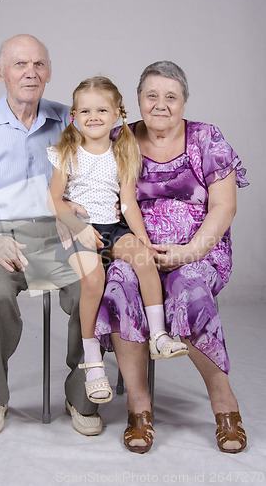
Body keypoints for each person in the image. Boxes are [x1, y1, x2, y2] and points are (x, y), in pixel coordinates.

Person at [0, 34, 102, 438]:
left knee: (92, 290)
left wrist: (75, 208)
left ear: (49, 72)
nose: (30, 72)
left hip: (61, 236)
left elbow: (109, 161)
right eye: (19, 64)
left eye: (39, 64)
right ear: (0, 71)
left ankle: (81, 395)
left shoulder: (71, 120)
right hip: (2, 239)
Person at [95, 61, 249, 454]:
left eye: (170, 97)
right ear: (138, 101)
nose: (160, 104)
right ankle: (139, 408)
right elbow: (92, 191)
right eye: (151, 96)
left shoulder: (206, 139)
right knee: (119, 288)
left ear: (183, 102)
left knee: (191, 290)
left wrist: (187, 252)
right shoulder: (119, 139)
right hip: (135, 250)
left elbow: (224, 208)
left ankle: (224, 404)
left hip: (197, 251)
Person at [47, 76, 188, 406]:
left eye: (101, 110)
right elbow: (53, 199)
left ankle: (158, 335)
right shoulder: (66, 152)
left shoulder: (122, 150)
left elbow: (127, 203)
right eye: (85, 111)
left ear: (116, 114)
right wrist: (77, 227)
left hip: (113, 227)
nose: (93, 116)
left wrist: (142, 239)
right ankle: (93, 361)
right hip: (79, 230)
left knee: (143, 261)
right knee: (94, 282)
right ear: (74, 115)